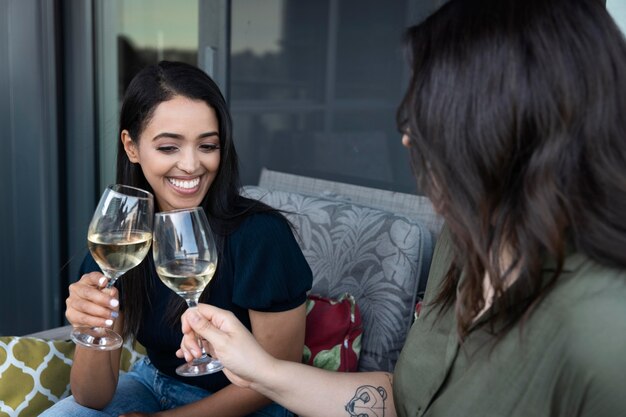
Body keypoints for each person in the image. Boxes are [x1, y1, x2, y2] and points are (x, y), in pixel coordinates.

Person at [177, 0, 626, 416]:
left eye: (428, 113)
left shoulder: (605, 337)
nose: (408, 138)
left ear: (505, 125)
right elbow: (402, 402)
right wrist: (263, 370)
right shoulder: (466, 238)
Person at [44, 61, 312, 417]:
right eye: (169, 147)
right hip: (153, 383)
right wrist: (92, 327)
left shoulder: (261, 237)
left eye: (207, 145)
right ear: (132, 146)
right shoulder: (118, 242)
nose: (191, 165)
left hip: (251, 402)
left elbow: (276, 381)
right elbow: (92, 397)